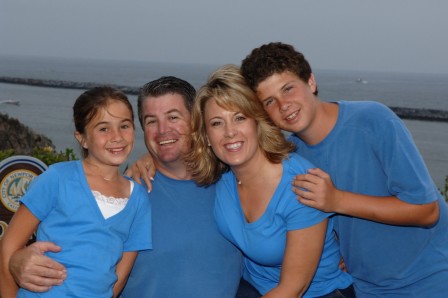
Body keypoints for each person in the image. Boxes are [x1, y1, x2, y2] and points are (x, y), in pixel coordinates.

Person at [240, 42, 448, 297]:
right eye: (270, 101)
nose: (283, 105)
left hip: (429, 281)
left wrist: (337, 200)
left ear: (311, 82)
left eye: (288, 89)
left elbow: (427, 211)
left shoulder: (372, 120)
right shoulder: (290, 155)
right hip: (366, 287)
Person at [7, 77, 247, 297]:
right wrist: (15, 261)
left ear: (196, 122)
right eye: (151, 121)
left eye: (173, 117)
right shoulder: (135, 191)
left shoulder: (234, 183)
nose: (163, 130)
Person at [187, 64, 354, 298]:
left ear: (258, 122)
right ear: (206, 137)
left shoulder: (300, 185)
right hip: (253, 287)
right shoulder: (222, 175)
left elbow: (292, 289)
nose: (230, 132)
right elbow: (170, 159)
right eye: (217, 123)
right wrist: (147, 161)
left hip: (317, 294)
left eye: (239, 118)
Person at [0, 86, 152, 298]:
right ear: (82, 138)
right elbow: (8, 247)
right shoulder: (57, 179)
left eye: (124, 125)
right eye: (103, 129)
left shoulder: (139, 199)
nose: (117, 137)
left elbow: (120, 276)